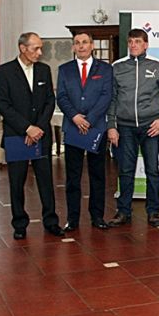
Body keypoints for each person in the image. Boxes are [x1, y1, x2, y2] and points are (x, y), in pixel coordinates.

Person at [0, 32, 64, 239]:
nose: (40, 52)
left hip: (40, 135)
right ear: (22, 48)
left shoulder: (44, 70)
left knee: (46, 180)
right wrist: (27, 128)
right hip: (16, 135)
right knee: (17, 182)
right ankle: (19, 224)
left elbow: (49, 101)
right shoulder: (4, 71)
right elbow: (4, 105)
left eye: (40, 48)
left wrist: (38, 128)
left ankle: (51, 221)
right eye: (36, 48)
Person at [106, 28, 159, 228]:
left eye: (137, 41)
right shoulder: (117, 67)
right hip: (125, 128)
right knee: (125, 171)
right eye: (130, 42)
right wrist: (111, 126)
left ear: (146, 45)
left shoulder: (156, 66)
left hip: (150, 127)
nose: (133, 45)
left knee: (152, 171)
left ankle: (153, 212)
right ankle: (123, 212)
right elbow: (112, 99)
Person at [56, 32, 113, 232]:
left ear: (92, 46)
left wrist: (89, 120)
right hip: (73, 128)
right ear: (73, 47)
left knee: (98, 175)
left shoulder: (105, 69)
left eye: (85, 42)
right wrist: (75, 117)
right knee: (73, 177)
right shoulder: (64, 69)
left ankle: (97, 216)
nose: (81, 46)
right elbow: (61, 96)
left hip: (96, 128)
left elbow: (107, 96)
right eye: (77, 43)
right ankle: (72, 219)